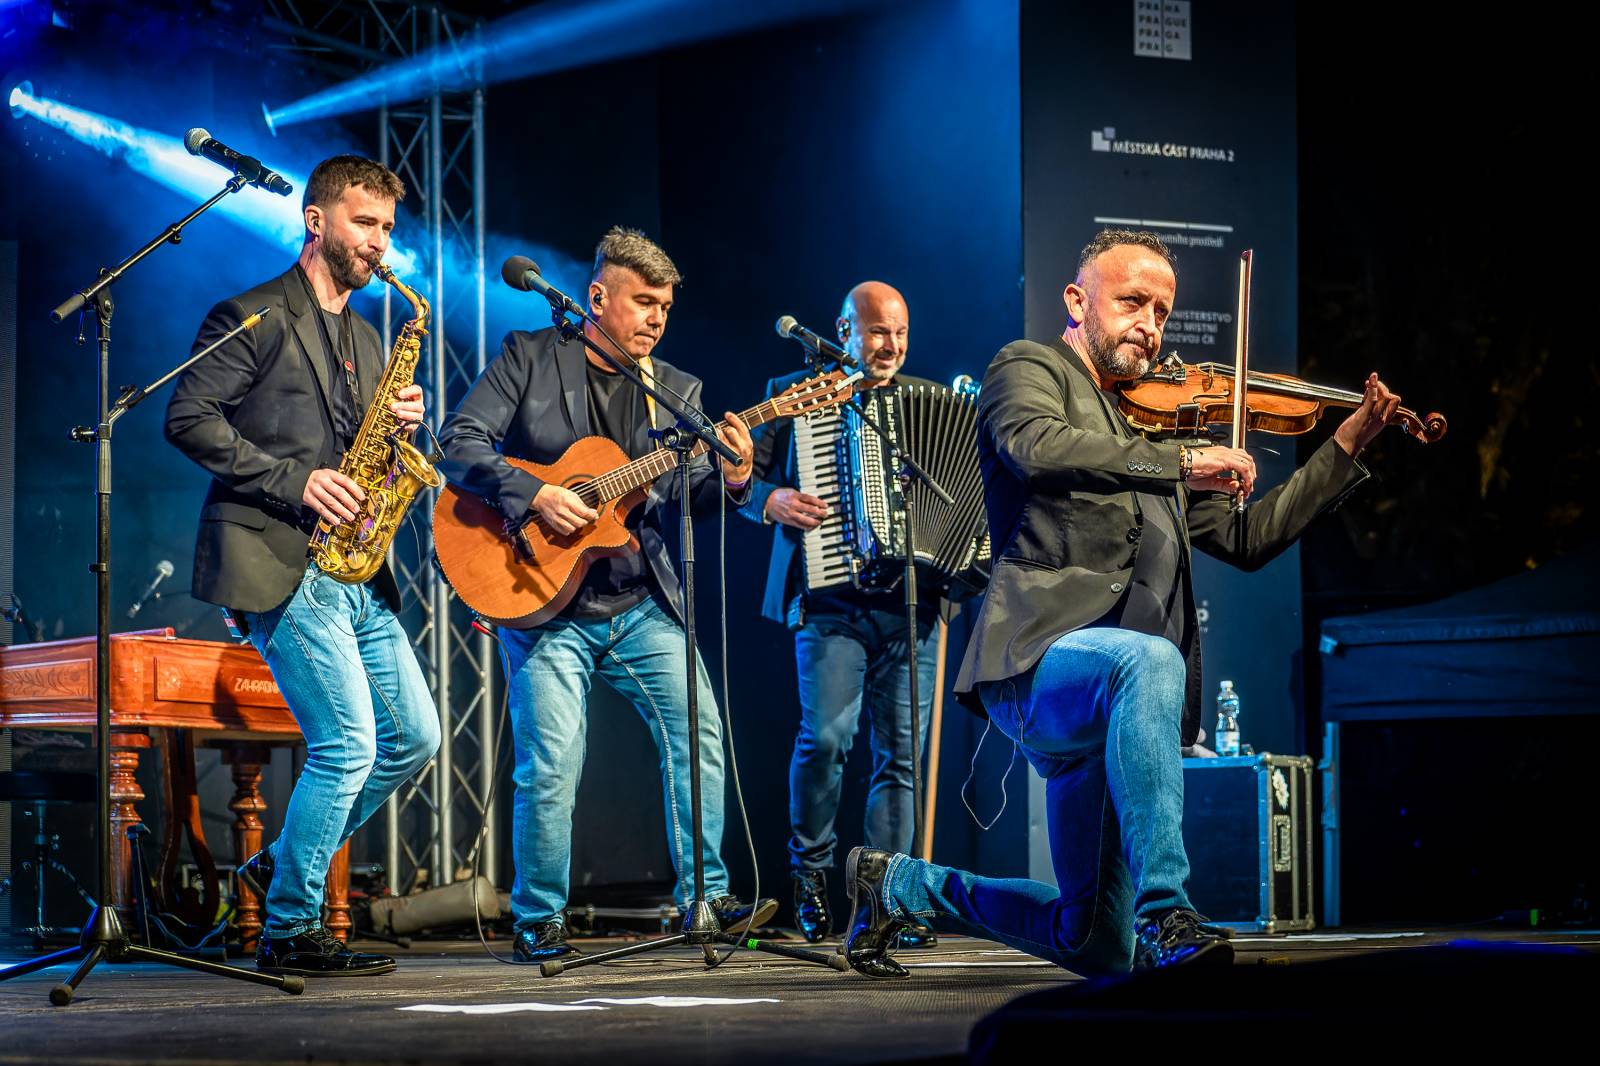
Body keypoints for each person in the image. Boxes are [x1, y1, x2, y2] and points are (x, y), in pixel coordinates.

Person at [841, 229, 1399, 977]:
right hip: (1037, 663)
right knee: (1146, 657)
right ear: (1077, 301)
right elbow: (1034, 445)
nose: (1151, 324)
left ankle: (898, 884)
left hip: (1114, 712)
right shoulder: (1029, 369)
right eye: (1133, 301)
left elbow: (1249, 535)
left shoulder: (1149, 428)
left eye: (1163, 312)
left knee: (1092, 942)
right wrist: (1180, 460)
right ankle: (1168, 911)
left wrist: (1345, 450)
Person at [437, 227, 774, 964]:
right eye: (642, 302)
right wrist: (536, 494)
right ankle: (539, 917)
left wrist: (740, 477)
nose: (656, 318)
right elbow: (457, 443)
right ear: (597, 297)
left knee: (700, 738)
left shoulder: (677, 395)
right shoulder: (530, 358)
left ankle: (705, 899)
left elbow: (691, 493)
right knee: (552, 761)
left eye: (665, 307)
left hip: (638, 601)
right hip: (540, 597)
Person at [165, 155, 441, 978]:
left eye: (389, 228)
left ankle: (278, 870)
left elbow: (358, 457)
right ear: (316, 221)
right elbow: (186, 415)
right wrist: (294, 480)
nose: (380, 242)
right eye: (366, 223)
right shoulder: (251, 314)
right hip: (279, 557)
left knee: (415, 738)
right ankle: (288, 925)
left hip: (355, 569)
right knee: (350, 743)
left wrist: (400, 428)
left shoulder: (366, 335)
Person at [740, 281, 940, 946]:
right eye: (879, 331)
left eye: (901, 333)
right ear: (844, 329)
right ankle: (811, 877)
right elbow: (741, 476)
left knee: (902, 759)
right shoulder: (795, 391)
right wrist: (771, 500)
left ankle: (890, 899)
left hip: (909, 609)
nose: (891, 346)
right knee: (826, 739)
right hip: (830, 603)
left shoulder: (922, 404)